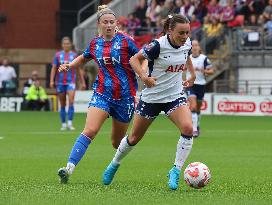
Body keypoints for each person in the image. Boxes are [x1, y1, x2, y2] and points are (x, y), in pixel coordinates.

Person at [102, 14, 196, 191]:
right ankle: (114, 163)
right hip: (152, 98)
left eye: (187, 33)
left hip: (174, 96)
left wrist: (192, 74)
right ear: (170, 30)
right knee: (134, 138)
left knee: (188, 128)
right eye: (181, 33)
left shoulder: (187, 43)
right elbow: (134, 59)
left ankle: (175, 170)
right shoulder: (158, 45)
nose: (184, 37)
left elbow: (187, 55)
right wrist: (144, 77)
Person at [57, 5, 140, 184]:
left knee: (116, 142)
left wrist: (144, 75)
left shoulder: (126, 41)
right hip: (102, 93)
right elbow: (84, 57)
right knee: (90, 130)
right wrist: (70, 65)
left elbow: (142, 57)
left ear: (116, 23)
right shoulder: (95, 43)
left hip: (124, 99)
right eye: (105, 22)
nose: (108, 25)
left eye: (111, 22)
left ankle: (113, 165)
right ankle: (68, 169)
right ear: (99, 24)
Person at [50, 36, 86, 131]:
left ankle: (70, 122)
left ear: (70, 45)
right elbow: (54, 68)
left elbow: (78, 69)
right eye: (64, 43)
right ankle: (63, 123)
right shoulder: (58, 55)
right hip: (60, 82)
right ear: (62, 45)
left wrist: (82, 82)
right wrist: (51, 80)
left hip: (71, 82)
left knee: (71, 101)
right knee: (62, 104)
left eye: (68, 43)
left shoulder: (74, 55)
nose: (66, 45)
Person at [186, 39, 214, 137]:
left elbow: (211, 71)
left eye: (196, 45)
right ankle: (194, 130)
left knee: (197, 108)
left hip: (201, 85)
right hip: (191, 85)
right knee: (192, 107)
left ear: (199, 47)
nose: (194, 47)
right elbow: (182, 68)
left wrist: (203, 70)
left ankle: (197, 125)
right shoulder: (187, 58)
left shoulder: (204, 58)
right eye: (193, 45)